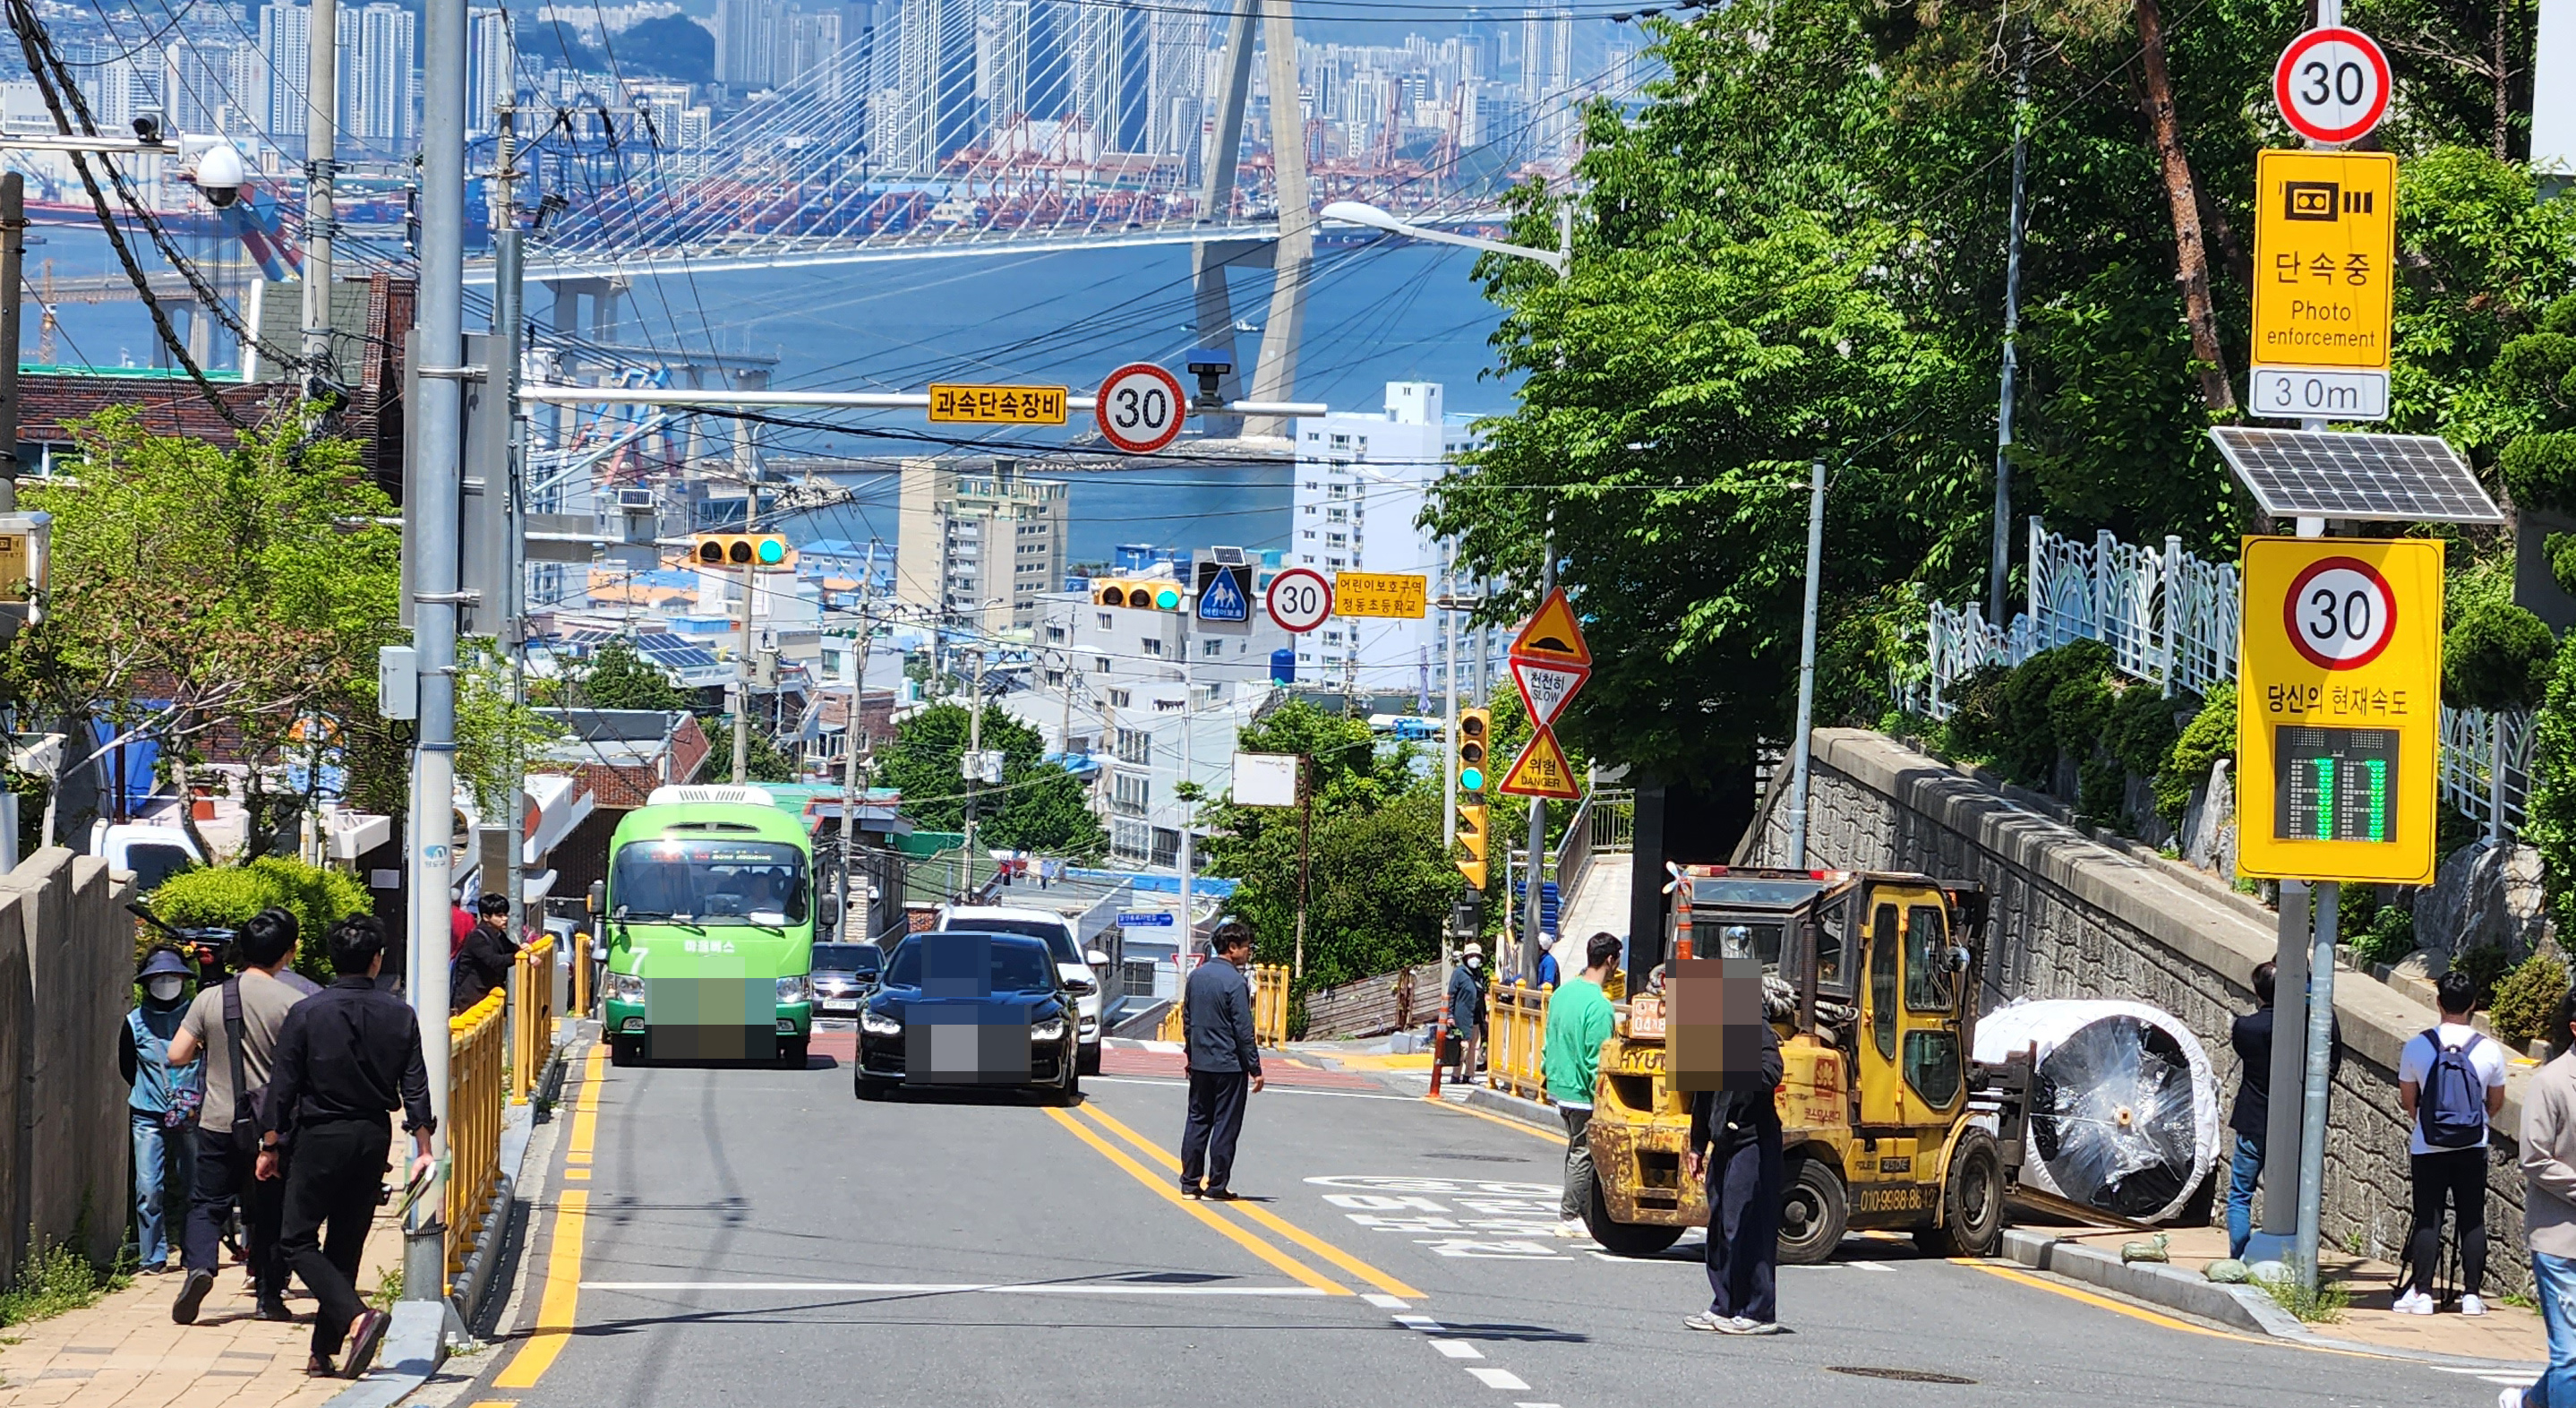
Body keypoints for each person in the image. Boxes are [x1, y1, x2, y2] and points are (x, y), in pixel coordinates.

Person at [261, 916, 435, 1378]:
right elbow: (415, 1084)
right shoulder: (400, 1014)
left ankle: (358, 1318)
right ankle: (323, 1353)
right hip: (373, 1135)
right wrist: (423, 1144)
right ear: (376, 961)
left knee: (296, 1240)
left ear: (333, 961)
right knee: (345, 1243)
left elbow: (283, 1085)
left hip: (320, 1134)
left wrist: (270, 1141)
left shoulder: (307, 1012)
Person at [167, 906, 306, 1326]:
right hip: (272, 1127)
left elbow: (177, 1054)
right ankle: (268, 1297)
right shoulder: (295, 1004)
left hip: (217, 1121)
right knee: (270, 1212)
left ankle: (200, 1268)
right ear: (288, 953)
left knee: (207, 1202)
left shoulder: (212, 998)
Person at [2395, 969, 2508, 1315]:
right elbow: (2496, 1101)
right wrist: (2476, 1123)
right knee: (2472, 1217)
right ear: (2474, 1004)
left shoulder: (2418, 1046)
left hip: (2428, 1145)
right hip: (2472, 1145)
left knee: (2428, 1217)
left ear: (2439, 1002)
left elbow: (2408, 1099)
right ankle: (2472, 1295)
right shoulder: (2489, 1050)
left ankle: (2423, 1293)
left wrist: (2427, 1123)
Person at [2224, 959, 2341, 1260]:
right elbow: (2334, 1061)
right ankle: (2299, 1261)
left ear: (2259, 993)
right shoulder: (2314, 1023)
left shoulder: (2246, 1028)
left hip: (2255, 1119)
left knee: (2240, 1195)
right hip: (2301, 1122)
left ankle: (2239, 1259)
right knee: (2304, 1196)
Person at [1682, 1002, 1785, 1335]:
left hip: (1753, 1140)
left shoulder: (1755, 1028)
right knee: (1719, 1225)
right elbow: (1703, 1093)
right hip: (1723, 1141)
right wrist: (1698, 1144)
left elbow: (1772, 1072)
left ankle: (1758, 1310)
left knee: (1746, 1223)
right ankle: (1724, 1305)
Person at [2512, 987, 2576, 1408]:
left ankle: (2532, 1402)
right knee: (2571, 1355)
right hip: (2560, 1240)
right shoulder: (2550, 1082)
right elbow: (2534, 1158)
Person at [121, 947, 201, 1274]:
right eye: (159, 978)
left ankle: (194, 1252)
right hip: (147, 1113)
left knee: (194, 1185)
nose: (166, 983)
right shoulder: (134, 1022)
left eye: (172, 977)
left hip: (190, 1114)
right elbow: (127, 1066)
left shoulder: (195, 1016)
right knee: (149, 1188)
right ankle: (152, 1256)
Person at [1542, 932, 1622, 1238]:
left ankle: (1580, 1212)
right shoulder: (1599, 1006)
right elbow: (1596, 1060)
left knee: (1577, 1148)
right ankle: (1569, 1215)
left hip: (1560, 1085)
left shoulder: (1562, 993)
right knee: (1583, 1152)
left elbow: (1550, 1040)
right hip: (1584, 1093)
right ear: (1611, 960)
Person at [1177, 922, 1263, 1200]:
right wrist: (1255, 1068)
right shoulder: (1235, 982)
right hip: (1229, 1065)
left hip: (1201, 1063)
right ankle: (1217, 1185)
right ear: (1233, 948)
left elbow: (1187, 1021)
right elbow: (1243, 1029)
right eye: (1247, 946)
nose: (1249, 951)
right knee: (1225, 1124)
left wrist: (1191, 1056)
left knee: (1198, 1120)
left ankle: (1190, 1184)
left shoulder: (1196, 977)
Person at [451, 891, 522, 1014]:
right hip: (472, 999)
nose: (505, 919)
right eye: (499, 916)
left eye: (505, 914)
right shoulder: (478, 937)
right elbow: (494, 961)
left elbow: (511, 948)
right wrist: (517, 957)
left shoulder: (498, 934)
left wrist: (522, 949)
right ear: (486, 917)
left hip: (486, 995)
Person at [1446, 943, 1488, 1086]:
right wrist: (1450, 1015)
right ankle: (1456, 1075)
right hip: (1461, 1016)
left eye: (1477, 956)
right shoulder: (1459, 973)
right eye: (1471, 956)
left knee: (1474, 1047)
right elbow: (1451, 995)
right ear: (1465, 958)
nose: (1474, 959)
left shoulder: (1479, 974)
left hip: (1476, 1016)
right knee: (1463, 1046)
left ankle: (1469, 1075)